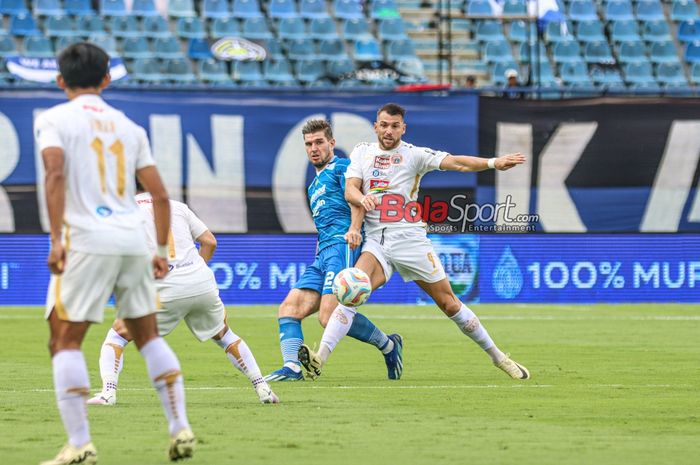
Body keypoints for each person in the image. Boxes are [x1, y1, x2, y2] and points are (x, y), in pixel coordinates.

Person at [35, 43, 194, 465]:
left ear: (60, 80)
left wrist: (55, 239)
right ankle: (180, 427)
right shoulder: (129, 126)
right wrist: (160, 248)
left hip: (86, 238)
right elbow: (159, 194)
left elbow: (54, 173)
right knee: (148, 337)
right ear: (106, 79)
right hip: (131, 241)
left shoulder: (53, 119)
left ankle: (80, 444)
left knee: (64, 341)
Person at [298, 103, 530, 381]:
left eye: (395, 126)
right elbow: (351, 189)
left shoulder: (414, 155)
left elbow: (456, 162)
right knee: (351, 291)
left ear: (402, 129)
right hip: (376, 242)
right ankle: (319, 358)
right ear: (376, 126)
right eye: (383, 125)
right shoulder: (361, 151)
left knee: (449, 304)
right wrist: (362, 201)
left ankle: (498, 357)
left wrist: (493, 163)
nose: (388, 130)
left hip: (410, 240)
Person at [86, 183, 279, 406]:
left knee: (117, 336)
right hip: (200, 280)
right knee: (226, 335)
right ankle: (262, 386)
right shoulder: (177, 206)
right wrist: (195, 271)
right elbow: (209, 242)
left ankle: (108, 393)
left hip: (165, 286)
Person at [264, 119, 403, 382]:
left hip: (343, 246)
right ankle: (292, 368)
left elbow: (356, 199)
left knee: (328, 317)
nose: (314, 148)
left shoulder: (341, 168)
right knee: (288, 309)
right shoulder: (313, 185)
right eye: (308, 144)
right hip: (323, 253)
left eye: (319, 142)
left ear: (332, 143)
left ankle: (388, 345)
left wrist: (353, 229)